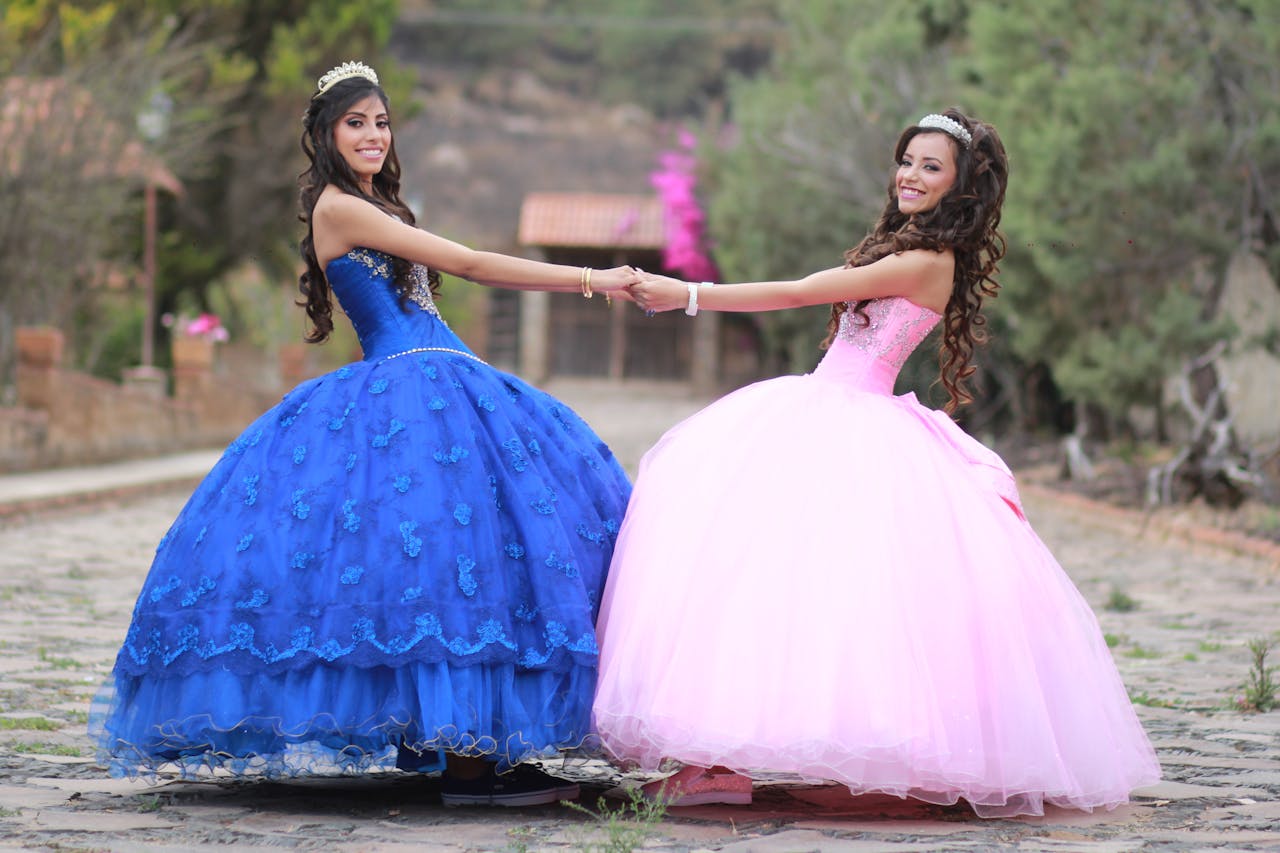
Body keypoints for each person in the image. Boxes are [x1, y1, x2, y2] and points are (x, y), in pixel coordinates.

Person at [91, 61, 637, 807]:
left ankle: (457, 742)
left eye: (381, 122)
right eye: (356, 123)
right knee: (439, 556)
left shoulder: (375, 204)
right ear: (325, 134)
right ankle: (469, 766)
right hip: (413, 379)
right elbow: (469, 263)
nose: (373, 134)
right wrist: (591, 279)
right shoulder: (338, 209)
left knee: (456, 556)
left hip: (442, 378)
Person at [593, 109, 1161, 817]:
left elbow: (803, 290)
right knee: (770, 582)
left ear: (960, 189)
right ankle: (725, 760)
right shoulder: (907, 247)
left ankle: (767, 757)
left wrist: (691, 294)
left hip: (852, 421)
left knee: (828, 592)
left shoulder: (927, 260)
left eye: (931, 167)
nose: (911, 175)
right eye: (907, 161)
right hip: (821, 409)